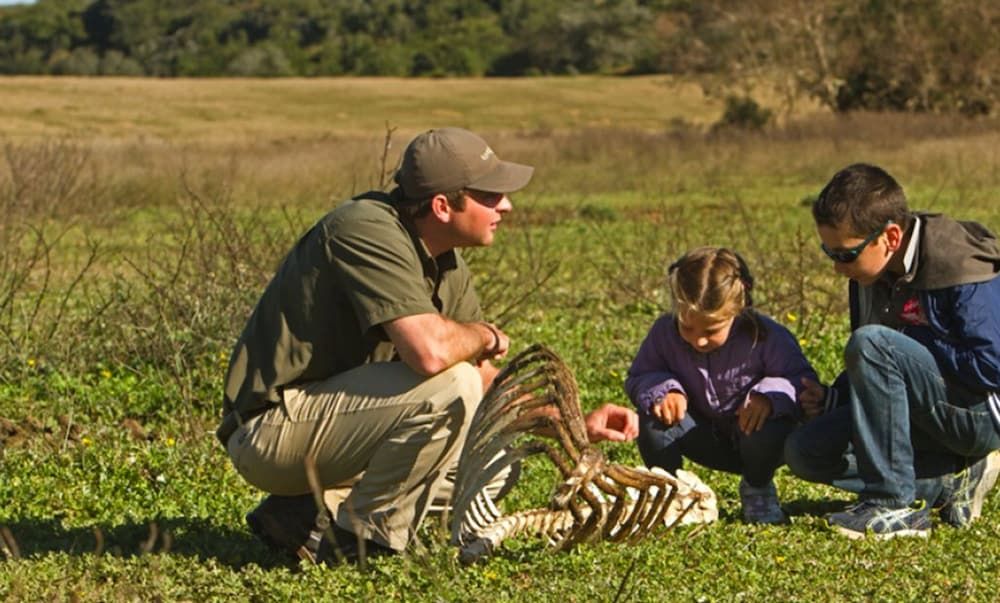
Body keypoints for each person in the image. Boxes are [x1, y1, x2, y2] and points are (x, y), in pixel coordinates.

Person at [217, 126, 638, 564]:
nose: (507, 206)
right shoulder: (363, 228)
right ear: (442, 206)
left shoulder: (445, 261)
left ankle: (309, 516)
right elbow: (431, 354)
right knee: (450, 384)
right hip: (269, 432)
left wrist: (571, 424)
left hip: (339, 429)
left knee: (496, 456)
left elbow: (484, 382)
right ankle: (361, 546)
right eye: (491, 195)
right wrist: (485, 334)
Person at [784, 163, 1000, 540]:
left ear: (891, 236)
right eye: (828, 252)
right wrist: (835, 397)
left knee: (874, 342)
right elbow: (882, 367)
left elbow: (992, 365)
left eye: (845, 254)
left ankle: (892, 507)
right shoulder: (869, 270)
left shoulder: (960, 263)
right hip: (923, 414)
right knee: (805, 451)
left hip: (978, 415)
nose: (837, 267)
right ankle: (950, 484)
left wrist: (910, 346)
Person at [625, 247, 817, 524]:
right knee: (652, 419)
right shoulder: (663, 334)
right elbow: (640, 375)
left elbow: (800, 380)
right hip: (701, 435)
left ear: (738, 311)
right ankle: (669, 494)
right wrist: (664, 390)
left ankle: (757, 487)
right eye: (687, 327)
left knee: (770, 425)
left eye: (711, 330)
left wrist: (769, 396)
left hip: (757, 440)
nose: (698, 340)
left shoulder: (767, 336)